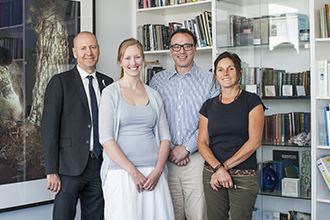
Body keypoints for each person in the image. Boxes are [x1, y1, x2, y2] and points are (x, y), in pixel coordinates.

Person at [98, 38, 175, 220]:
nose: (133, 63)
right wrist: (133, 172)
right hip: (121, 173)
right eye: (127, 58)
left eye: (137, 57)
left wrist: (157, 171)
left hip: (153, 175)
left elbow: (165, 137)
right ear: (120, 62)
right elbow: (106, 139)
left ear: (143, 60)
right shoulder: (110, 93)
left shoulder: (154, 95)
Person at [41, 31, 113, 220]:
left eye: (93, 47)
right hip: (68, 168)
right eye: (83, 48)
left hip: (100, 165)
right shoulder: (60, 82)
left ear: (98, 50)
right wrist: (51, 171)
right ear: (74, 52)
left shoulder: (108, 83)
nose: (88, 52)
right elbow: (49, 130)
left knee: (96, 217)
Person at [149, 28, 220, 220]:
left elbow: (214, 121)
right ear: (170, 50)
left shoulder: (210, 81)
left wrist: (187, 148)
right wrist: (171, 149)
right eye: (176, 46)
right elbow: (152, 119)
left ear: (195, 49)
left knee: (198, 215)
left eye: (187, 46)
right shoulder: (157, 81)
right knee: (169, 214)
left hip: (197, 158)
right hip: (164, 159)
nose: (182, 51)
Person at [197, 51, 265, 220]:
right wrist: (218, 169)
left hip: (243, 175)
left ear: (240, 72)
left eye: (230, 69)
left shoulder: (252, 101)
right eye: (220, 70)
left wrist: (223, 168)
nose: (225, 73)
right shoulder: (208, 105)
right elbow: (202, 142)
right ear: (215, 74)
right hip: (213, 175)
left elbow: (254, 142)